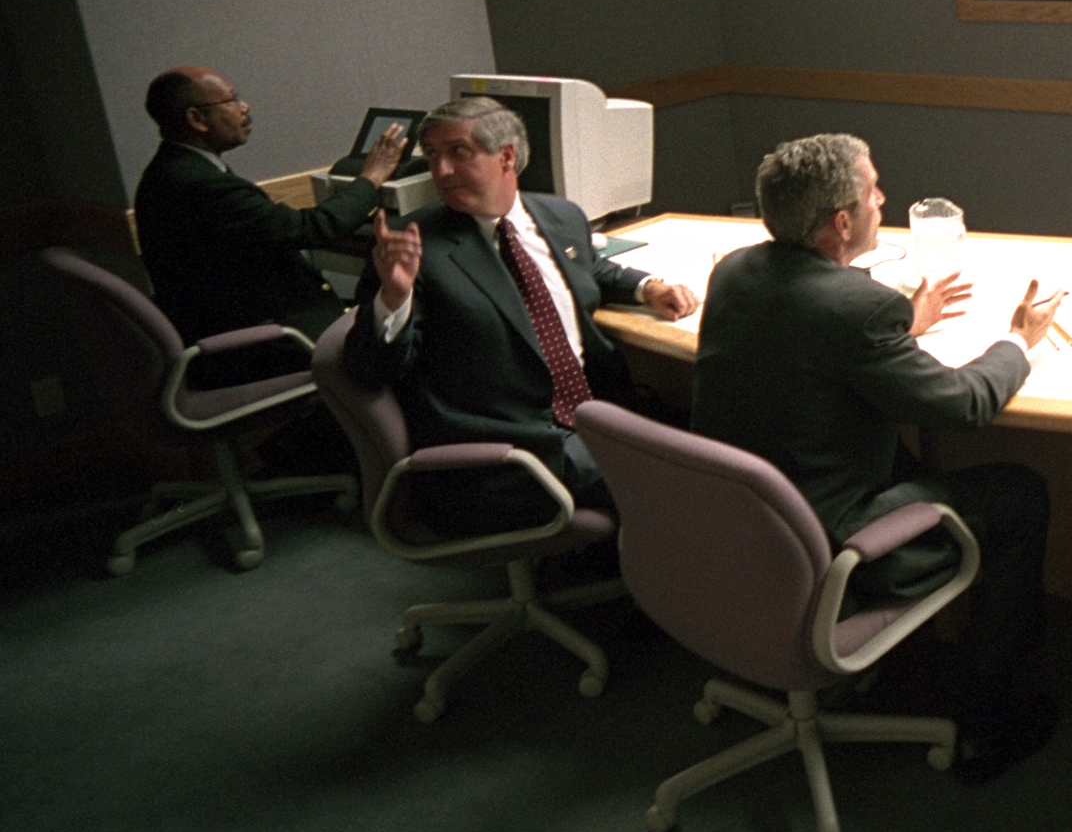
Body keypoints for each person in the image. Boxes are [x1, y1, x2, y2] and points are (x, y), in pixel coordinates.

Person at [690, 133, 1066, 781]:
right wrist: (1018, 340)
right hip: (831, 541)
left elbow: (815, 334)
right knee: (1020, 493)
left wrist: (903, 324)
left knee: (917, 464)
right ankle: (989, 715)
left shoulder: (734, 271)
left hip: (743, 526)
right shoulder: (858, 309)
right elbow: (965, 406)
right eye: (873, 190)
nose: (882, 199)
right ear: (842, 222)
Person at [342, 96, 697, 537]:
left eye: (458, 152)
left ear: (506, 157)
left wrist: (649, 287)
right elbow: (368, 370)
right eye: (433, 156)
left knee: (714, 447)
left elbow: (588, 267)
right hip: (510, 447)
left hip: (600, 411)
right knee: (687, 484)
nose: (441, 171)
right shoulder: (414, 245)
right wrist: (394, 297)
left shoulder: (560, 216)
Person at [135, 66, 405, 384]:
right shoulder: (200, 184)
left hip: (234, 325)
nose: (244, 107)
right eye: (232, 100)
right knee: (396, 342)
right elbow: (312, 229)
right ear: (197, 119)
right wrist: (371, 177)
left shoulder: (171, 170)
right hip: (259, 346)